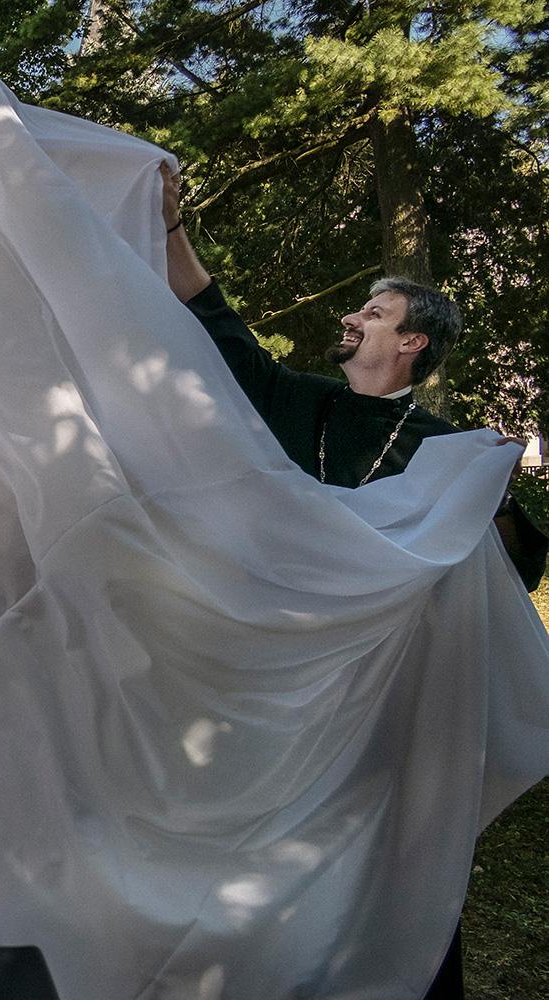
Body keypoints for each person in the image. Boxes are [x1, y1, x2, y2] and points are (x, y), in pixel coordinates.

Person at [160, 163, 546, 1000]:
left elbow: (502, 570)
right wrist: (167, 227)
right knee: (280, 875)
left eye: (374, 313)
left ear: (411, 342)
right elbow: (216, 324)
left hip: (396, 711)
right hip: (289, 692)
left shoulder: (450, 456)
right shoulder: (302, 407)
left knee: (399, 870)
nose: (352, 316)